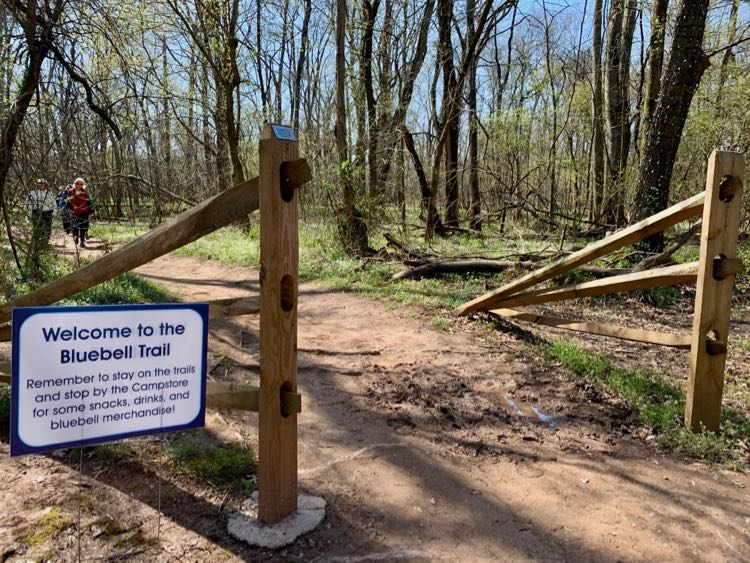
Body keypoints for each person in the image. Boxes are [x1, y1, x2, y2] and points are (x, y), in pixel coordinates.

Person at [25, 178, 56, 251]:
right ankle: (37, 245)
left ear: (45, 185)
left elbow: (54, 204)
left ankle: (45, 244)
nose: (41, 184)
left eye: (42, 183)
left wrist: (54, 212)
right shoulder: (32, 193)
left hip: (47, 213)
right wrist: (29, 213)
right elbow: (27, 203)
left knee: (47, 230)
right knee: (37, 229)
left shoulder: (49, 193)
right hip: (36, 213)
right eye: (39, 183)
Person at [67, 178, 94, 247]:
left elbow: (88, 202)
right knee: (75, 226)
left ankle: (82, 241)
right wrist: (69, 209)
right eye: (77, 183)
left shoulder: (84, 192)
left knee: (83, 227)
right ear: (74, 184)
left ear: (82, 185)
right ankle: (76, 237)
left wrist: (91, 211)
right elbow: (68, 202)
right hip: (74, 212)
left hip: (84, 211)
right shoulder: (70, 192)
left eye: (80, 184)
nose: (78, 185)